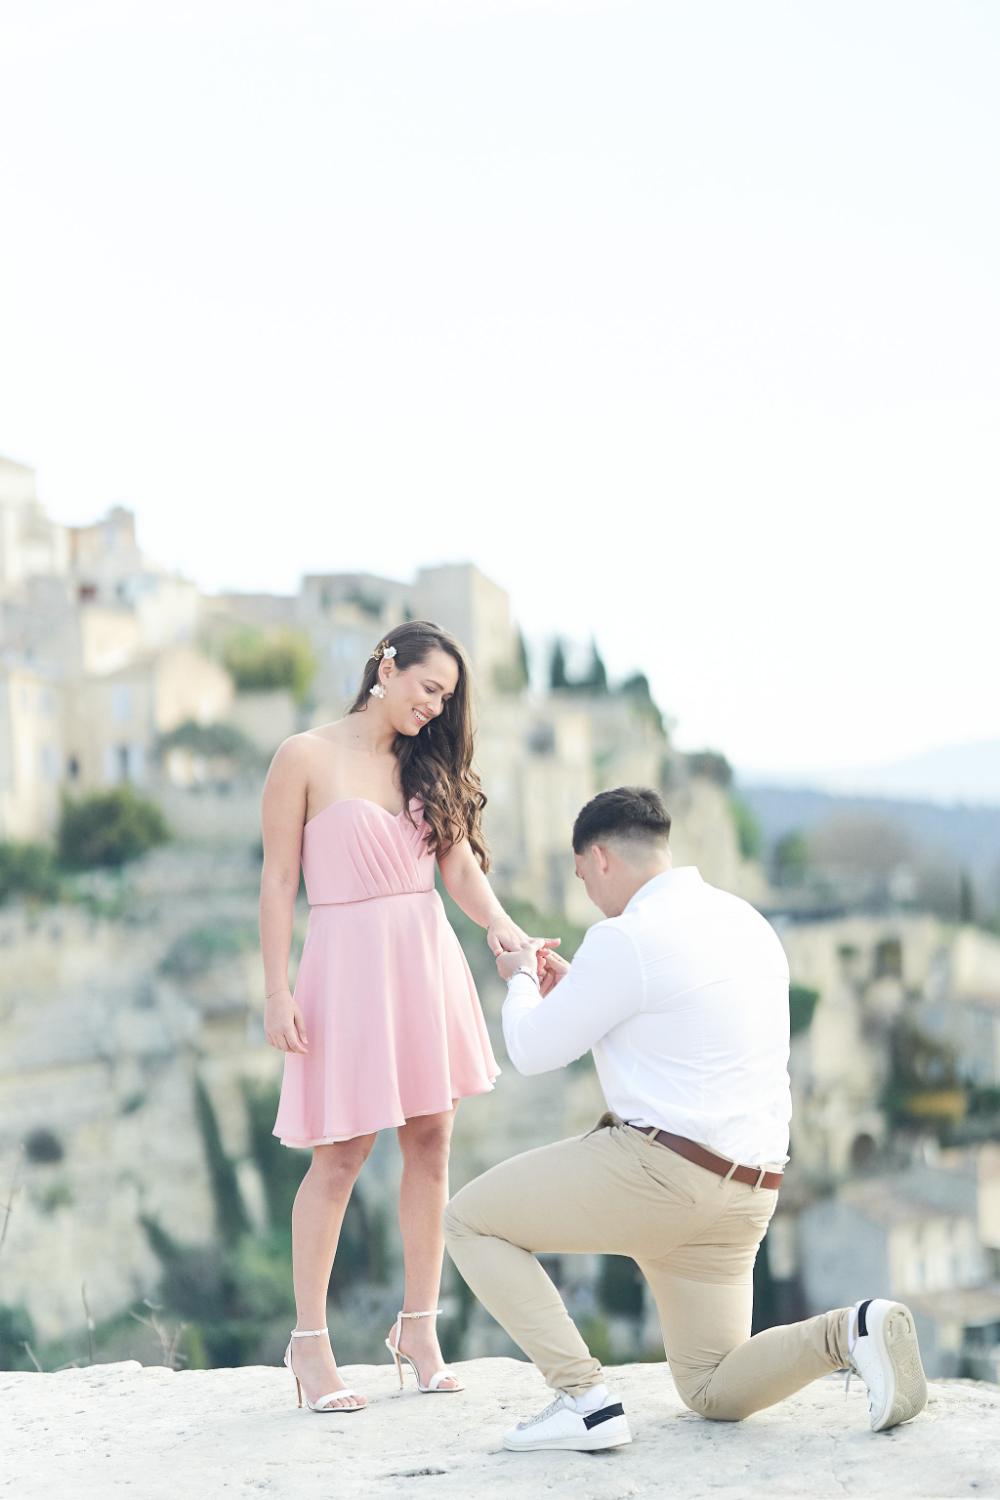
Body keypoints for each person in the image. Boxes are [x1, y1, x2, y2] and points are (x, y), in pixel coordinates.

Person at [444, 785, 927, 1452]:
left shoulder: (626, 938)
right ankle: (854, 1331)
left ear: (602, 857)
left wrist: (522, 977)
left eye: (583, 876)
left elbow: (531, 1050)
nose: (587, 894)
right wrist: (580, 984)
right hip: (748, 1188)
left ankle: (583, 1399)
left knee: (468, 1220)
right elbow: (680, 1029)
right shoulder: (748, 923)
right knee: (711, 1388)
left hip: (662, 1176)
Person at [259, 620, 552, 1413]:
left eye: (448, 698)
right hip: (346, 969)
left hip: (424, 959)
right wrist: (276, 989)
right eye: (429, 688)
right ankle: (310, 1345)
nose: (436, 708)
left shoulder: (427, 763)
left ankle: (418, 1329)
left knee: (432, 1141)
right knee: (342, 1154)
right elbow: (279, 880)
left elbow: (456, 865)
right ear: (386, 666)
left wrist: (508, 932)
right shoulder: (304, 756)